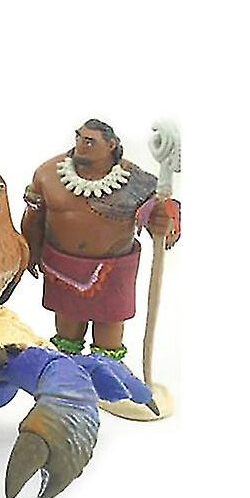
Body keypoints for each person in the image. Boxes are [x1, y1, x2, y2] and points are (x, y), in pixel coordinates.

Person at [21, 119, 179, 360]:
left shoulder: (135, 181)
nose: (80, 145)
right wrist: (30, 251)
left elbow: (162, 220)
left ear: (111, 145)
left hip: (113, 273)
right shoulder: (47, 175)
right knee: (67, 334)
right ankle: (67, 377)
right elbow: (34, 217)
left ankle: (107, 379)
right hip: (63, 271)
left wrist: (164, 221)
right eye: (78, 138)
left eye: (89, 141)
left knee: (109, 337)